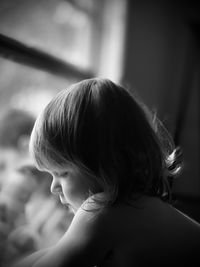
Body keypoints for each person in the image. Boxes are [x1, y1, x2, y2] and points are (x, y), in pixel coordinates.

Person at [11, 78, 200, 267]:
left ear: (107, 166)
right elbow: (58, 251)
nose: (54, 188)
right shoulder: (137, 207)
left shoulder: (100, 211)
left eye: (62, 173)